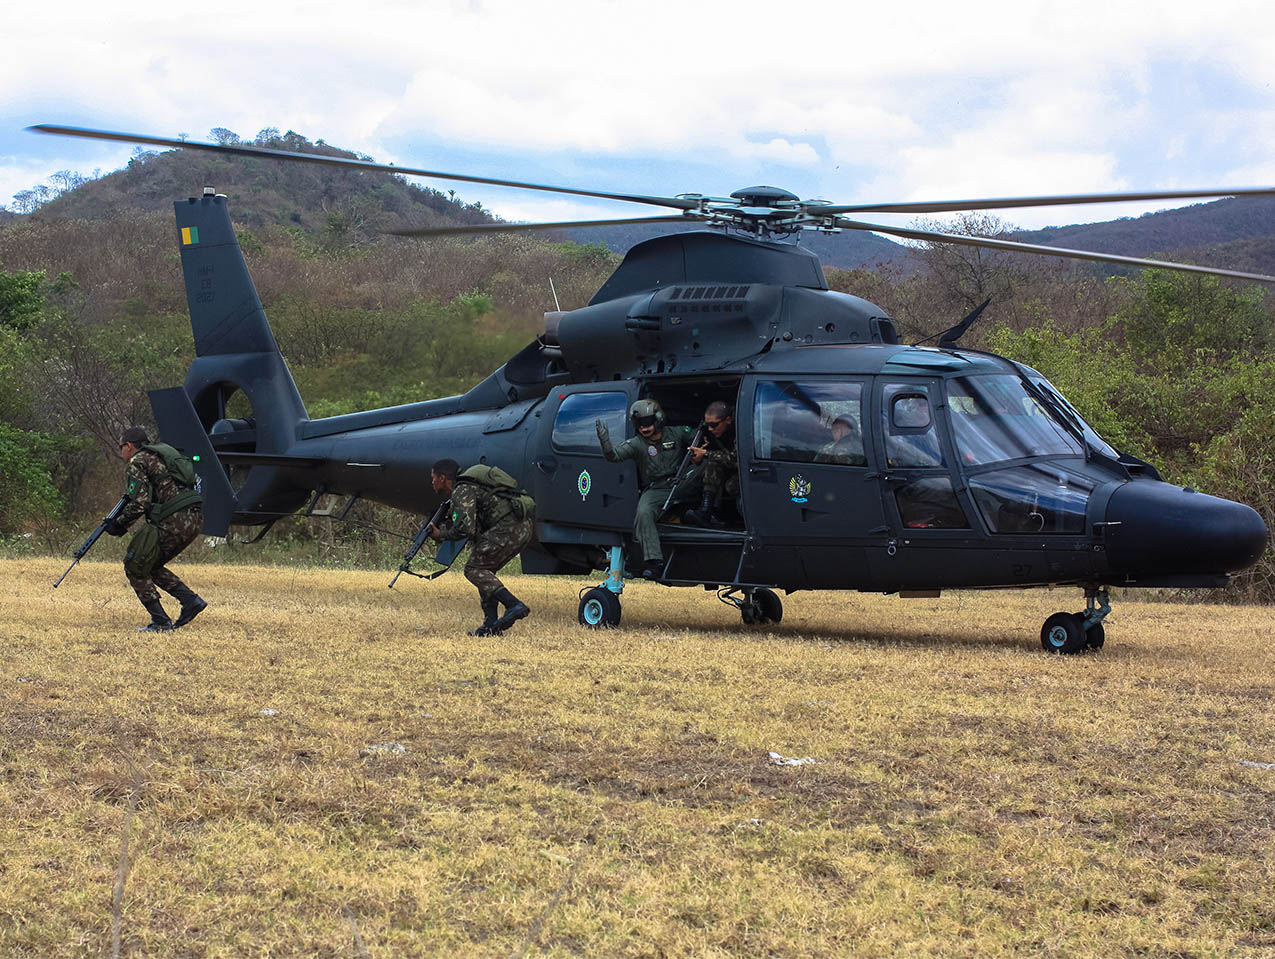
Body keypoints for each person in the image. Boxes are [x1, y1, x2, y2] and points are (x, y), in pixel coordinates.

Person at [103, 427, 207, 632]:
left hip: (173, 520)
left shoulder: (137, 461)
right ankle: (190, 601)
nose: (121, 452)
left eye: (121, 447)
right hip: (194, 519)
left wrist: (119, 524)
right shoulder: (163, 456)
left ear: (129, 446)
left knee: (135, 565)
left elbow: (139, 503)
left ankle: (160, 621)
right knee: (150, 564)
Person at [428, 458, 536, 636]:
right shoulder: (467, 487)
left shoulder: (462, 490)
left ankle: (514, 605)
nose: (432, 482)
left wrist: (441, 535)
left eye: (433, 478)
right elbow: (474, 527)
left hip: (508, 529)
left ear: (442, 478)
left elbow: (466, 529)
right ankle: (490, 625)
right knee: (484, 571)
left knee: (474, 569)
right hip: (520, 528)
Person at [595, 398, 697, 579]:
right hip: (657, 488)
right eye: (639, 423)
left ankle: (705, 512)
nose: (643, 427)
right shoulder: (637, 443)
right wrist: (605, 443)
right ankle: (654, 562)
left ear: (658, 419)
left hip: (682, 480)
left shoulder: (677, 433)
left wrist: (702, 451)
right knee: (643, 512)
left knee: (707, 465)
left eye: (647, 422)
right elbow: (614, 456)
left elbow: (700, 437)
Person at [684, 400, 738, 528]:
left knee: (731, 486)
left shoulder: (740, 428)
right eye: (707, 425)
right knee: (713, 464)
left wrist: (706, 453)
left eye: (714, 425)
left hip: (746, 470)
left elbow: (736, 460)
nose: (710, 429)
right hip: (729, 468)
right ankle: (706, 511)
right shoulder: (713, 432)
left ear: (728, 420)